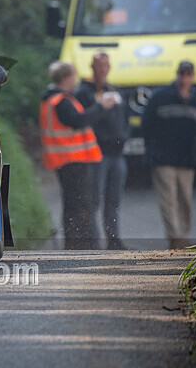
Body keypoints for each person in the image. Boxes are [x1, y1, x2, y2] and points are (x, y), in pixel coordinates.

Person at [40, 61, 117, 249]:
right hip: (73, 161)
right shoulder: (61, 101)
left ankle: (76, 243)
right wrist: (101, 107)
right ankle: (81, 245)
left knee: (74, 204)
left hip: (66, 161)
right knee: (81, 206)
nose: (75, 79)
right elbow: (78, 120)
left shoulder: (54, 99)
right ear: (66, 77)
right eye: (73, 75)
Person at [142, 60, 196, 250]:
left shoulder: (194, 98)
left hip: (185, 158)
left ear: (193, 76)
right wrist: (152, 147)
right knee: (168, 199)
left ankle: (182, 236)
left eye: (188, 73)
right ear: (177, 74)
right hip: (162, 156)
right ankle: (175, 238)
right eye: (182, 73)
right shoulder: (161, 95)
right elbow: (146, 123)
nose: (184, 77)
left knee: (185, 199)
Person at [75, 53, 130, 250]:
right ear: (92, 67)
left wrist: (125, 135)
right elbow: (83, 119)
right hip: (97, 154)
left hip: (117, 153)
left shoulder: (115, 90)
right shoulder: (84, 92)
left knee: (113, 199)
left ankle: (114, 238)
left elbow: (125, 116)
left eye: (106, 65)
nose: (103, 69)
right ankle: (93, 240)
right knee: (94, 199)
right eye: (99, 65)